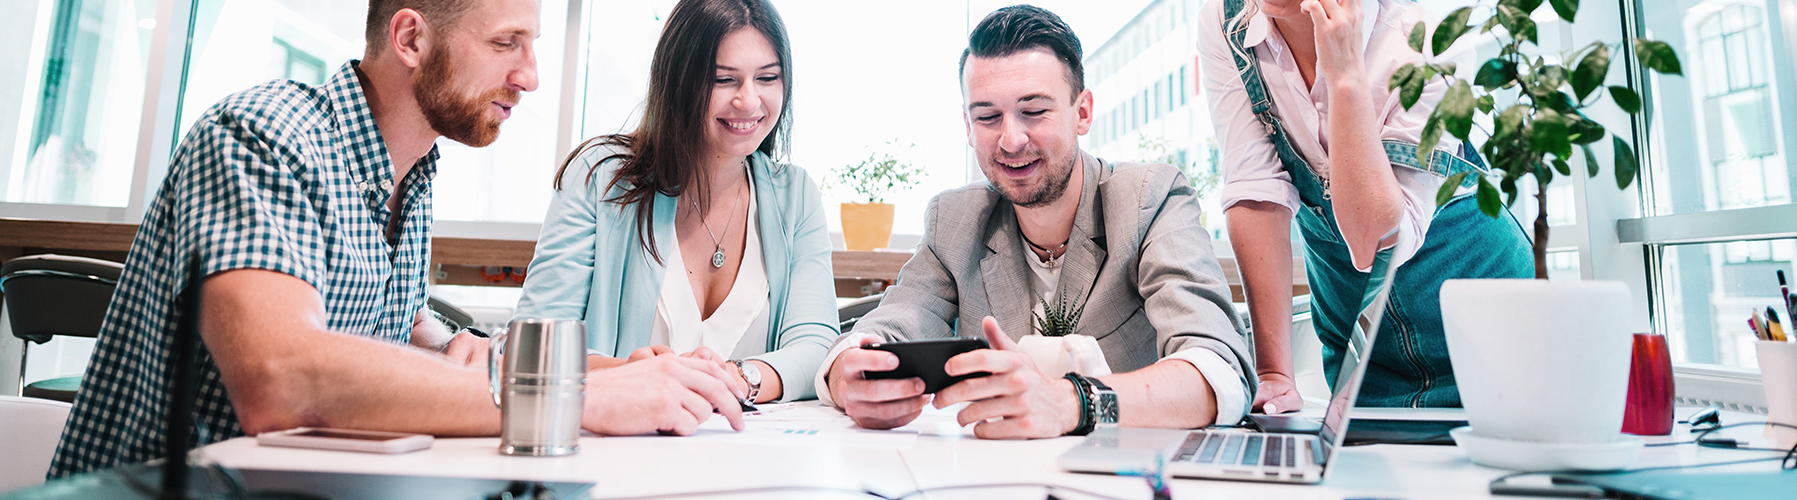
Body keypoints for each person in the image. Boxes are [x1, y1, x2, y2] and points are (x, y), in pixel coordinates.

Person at [49, 0, 746, 478]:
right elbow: (281, 376)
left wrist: (623, 377)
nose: (530, 76)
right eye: (505, 43)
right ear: (411, 38)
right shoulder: (265, 134)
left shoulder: (408, 175)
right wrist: (575, 401)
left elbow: (409, 335)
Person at [817, 5, 1255, 439]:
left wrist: (1072, 402)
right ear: (968, 127)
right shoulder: (953, 220)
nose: (1010, 140)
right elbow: (889, 326)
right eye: (987, 117)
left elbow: (1220, 369)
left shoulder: (1150, 199)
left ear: (1082, 112)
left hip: (1128, 466)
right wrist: (845, 375)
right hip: (996, 467)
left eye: (1034, 111)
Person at [1197, 0, 1532, 412]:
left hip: (1488, 341)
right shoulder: (1230, 22)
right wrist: (1274, 374)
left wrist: (1345, 77)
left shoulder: (1428, 41)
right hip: (1361, 357)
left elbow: (1375, 243)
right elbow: (1256, 191)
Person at [513, 0, 834, 404]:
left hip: (745, 438)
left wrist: (738, 379)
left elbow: (816, 346)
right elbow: (534, 346)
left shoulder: (796, 195)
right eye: (723, 79)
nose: (749, 100)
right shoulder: (600, 178)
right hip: (620, 435)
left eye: (767, 78)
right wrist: (641, 377)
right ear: (677, 79)